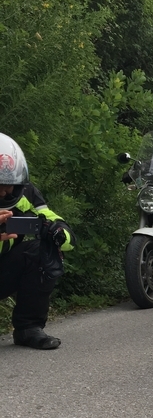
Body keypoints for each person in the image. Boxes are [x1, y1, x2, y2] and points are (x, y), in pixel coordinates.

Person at [0, 133, 75, 349]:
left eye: (9, 185)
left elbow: (66, 237)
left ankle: (28, 328)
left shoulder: (26, 194)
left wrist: (58, 233)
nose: (4, 192)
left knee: (39, 251)